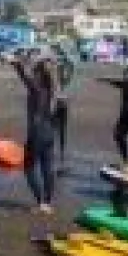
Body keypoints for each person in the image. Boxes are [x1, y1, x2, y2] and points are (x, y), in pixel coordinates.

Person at [7, 51, 59, 213]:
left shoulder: (38, 90)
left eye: (35, 71)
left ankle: (41, 203)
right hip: (50, 133)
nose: (33, 74)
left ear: (39, 74)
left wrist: (15, 63)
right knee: (47, 169)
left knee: (29, 168)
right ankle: (48, 203)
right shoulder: (54, 91)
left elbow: (25, 77)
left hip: (37, 134)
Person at [50, 43, 78, 173]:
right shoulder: (57, 72)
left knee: (61, 131)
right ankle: (54, 155)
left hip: (62, 104)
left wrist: (63, 51)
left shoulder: (67, 73)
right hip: (57, 103)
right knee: (54, 130)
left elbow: (71, 64)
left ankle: (60, 156)